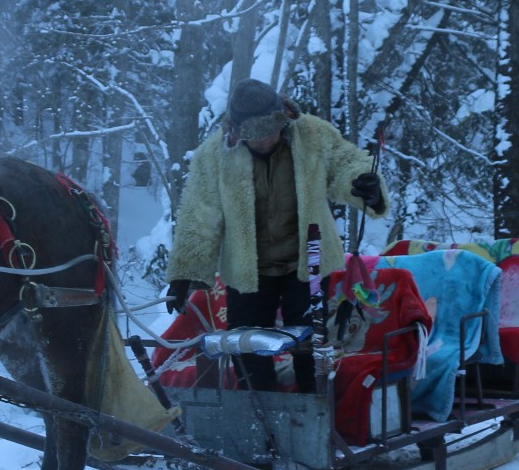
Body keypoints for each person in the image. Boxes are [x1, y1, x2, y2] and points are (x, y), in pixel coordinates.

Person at [166, 79, 389, 391]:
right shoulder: (215, 154)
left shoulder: (312, 133)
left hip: (307, 264)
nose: (262, 141)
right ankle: (262, 427)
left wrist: (367, 186)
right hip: (247, 271)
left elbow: (346, 164)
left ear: (283, 118)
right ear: (237, 130)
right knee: (247, 354)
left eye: (269, 132)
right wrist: (185, 273)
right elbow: (200, 214)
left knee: (310, 350)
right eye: (253, 136)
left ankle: (313, 421)